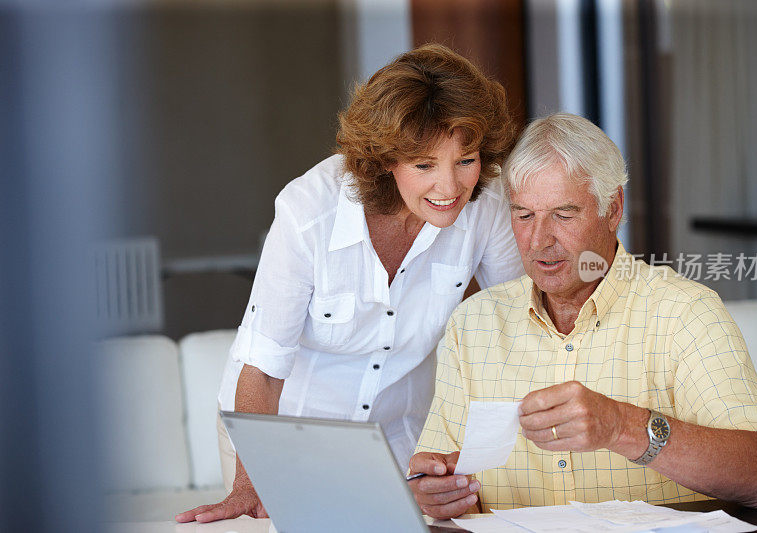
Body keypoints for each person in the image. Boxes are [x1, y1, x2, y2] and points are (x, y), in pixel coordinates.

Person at [176, 44, 524, 523]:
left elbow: (520, 322)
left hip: (400, 434)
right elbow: (262, 368)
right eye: (424, 165)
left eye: (465, 160)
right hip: (283, 431)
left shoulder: (486, 205)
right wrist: (251, 481)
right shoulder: (307, 213)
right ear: (385, 159)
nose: (450, 188)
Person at [408, 112, 757, 519]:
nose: (539, 240)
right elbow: (436, 472)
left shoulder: (684, 312)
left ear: (613, 208)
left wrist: (621, 426)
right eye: (523, 215)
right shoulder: (473, 324)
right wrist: (436, 491)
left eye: (564, 214)